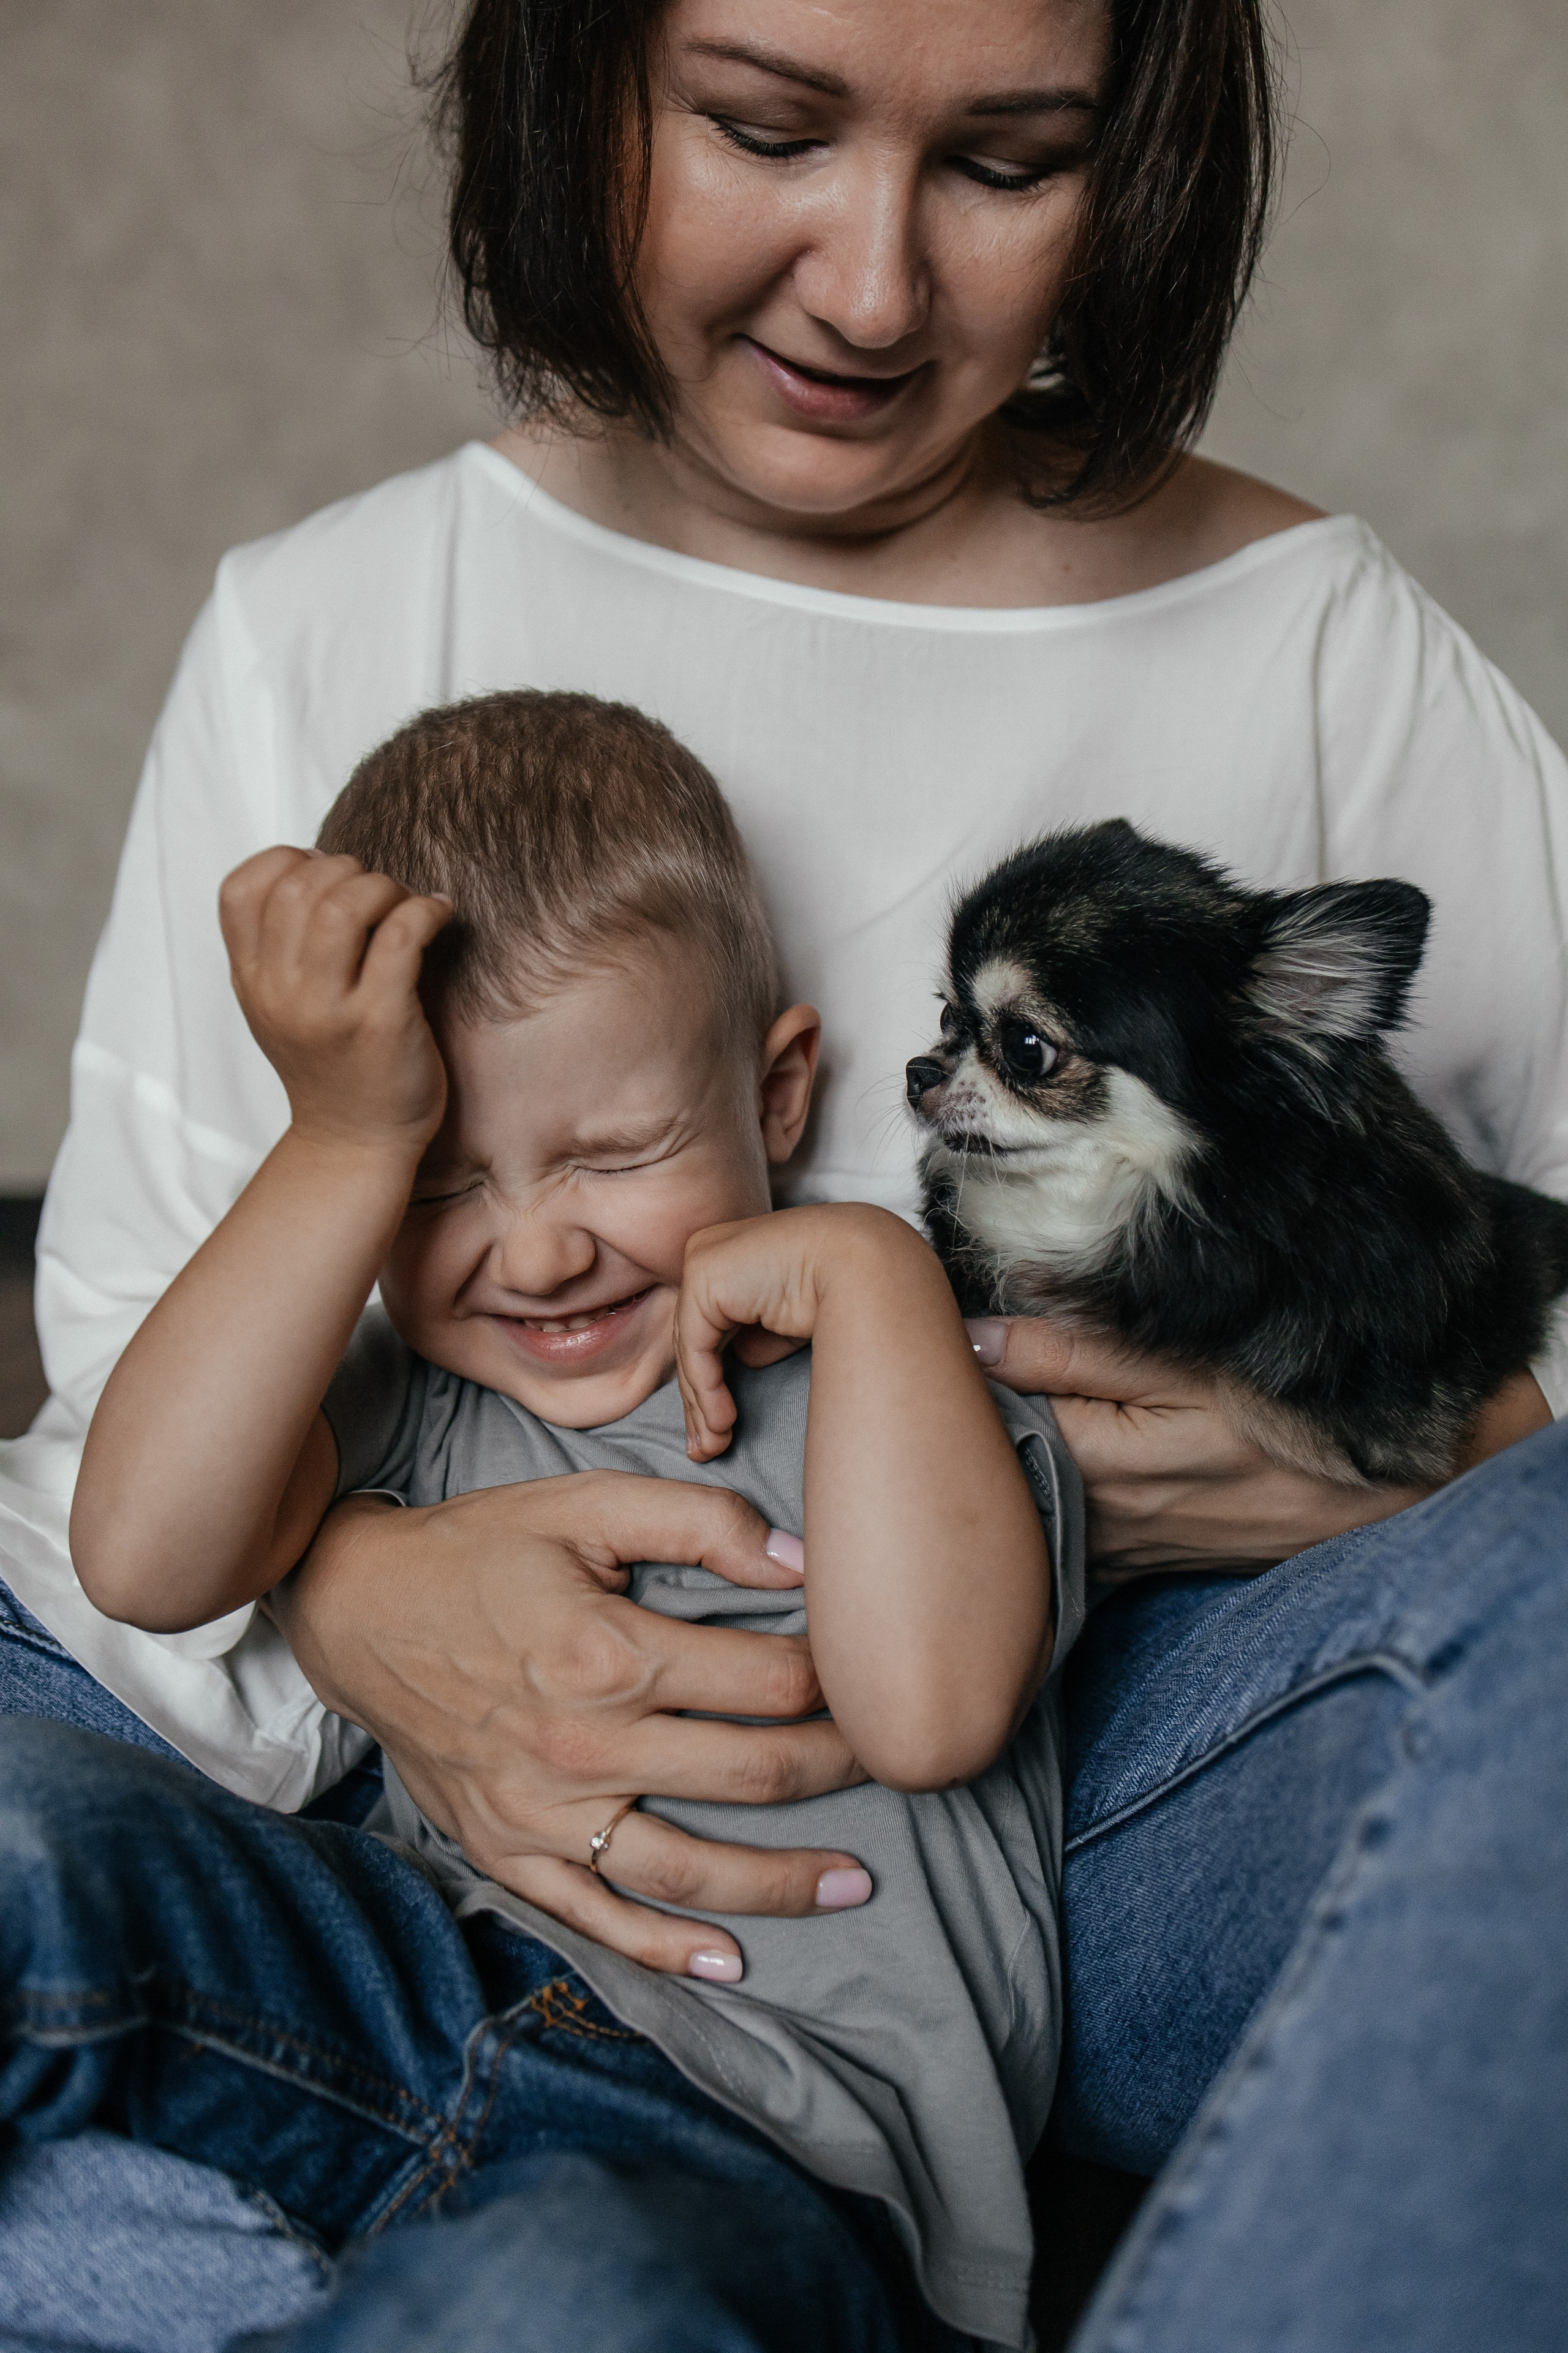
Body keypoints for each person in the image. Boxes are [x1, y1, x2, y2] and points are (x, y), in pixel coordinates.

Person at [1, 0, 1564, 2345]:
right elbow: (130, 1520)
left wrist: (1437, 1434)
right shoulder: (325, 622)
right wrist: (359, 1588)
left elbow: (959, 1695)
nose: (870, 285)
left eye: (1008, 162)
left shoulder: (1315, 640)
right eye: (764, 127)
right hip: (393, 1850)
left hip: (1012, 1831)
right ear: (586, 88)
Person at [15, 687, 1080, 2352]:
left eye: (616, 1151)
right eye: (446, 1182)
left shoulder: (897, 1374)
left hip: (768, 2142)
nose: (535, 1251)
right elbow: (144, 1557)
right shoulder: (413, 1386)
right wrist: (344, 1140)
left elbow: (930, 1712)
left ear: (777, 1092)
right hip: (409, 2001)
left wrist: (877, 1274)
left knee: (542, 2305)